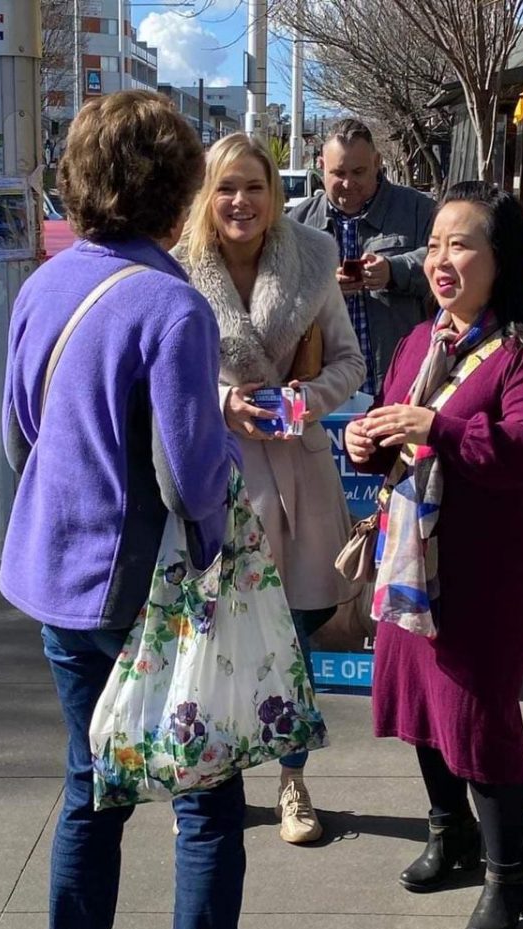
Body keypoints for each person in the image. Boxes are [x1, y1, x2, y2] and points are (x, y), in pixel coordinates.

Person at [0, 92, 300, 929]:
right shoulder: (169, 304)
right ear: (179, 194)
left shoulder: (45, 287)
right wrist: (219, 551)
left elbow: (19, 434)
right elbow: (188, 475)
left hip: (55, 581)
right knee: (207, 802)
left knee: (93, 786)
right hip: (145, 595)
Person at [345, 182, 523, 929]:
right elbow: (393, 431)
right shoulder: (418, 342)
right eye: (435, 244)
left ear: (499, 258)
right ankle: (452, 837)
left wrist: (436, 428)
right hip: (413, 564)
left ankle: (509, 875)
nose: (442, 259)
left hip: (485, 572)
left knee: (479, 717)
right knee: (421, 708)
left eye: (461, 244)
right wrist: (367, 441)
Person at [175, 132, 365, 845]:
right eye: (226, 187)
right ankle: (210, 784)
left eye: (254, 186)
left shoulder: (314, 258)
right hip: (220, 471)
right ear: (207, 196)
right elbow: (164, 376)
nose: (240, 201)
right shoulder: (178, 271)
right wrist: (222, 405)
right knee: (216, 634)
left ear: (274, 193)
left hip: (301, 469)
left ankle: (293, 780)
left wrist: (305, 399)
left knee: (295, 633)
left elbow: (348, 361)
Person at [290, 119, 435, 405]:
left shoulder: (419, 209)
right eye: (338, 173)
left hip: (402, 381)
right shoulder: (297, 223)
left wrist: (395, 270)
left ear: (377, 162)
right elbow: (276, 293)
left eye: (358, 172)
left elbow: (445, 262)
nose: (348, 183)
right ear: (321, 166)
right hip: (324, 388)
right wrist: (323, 288)